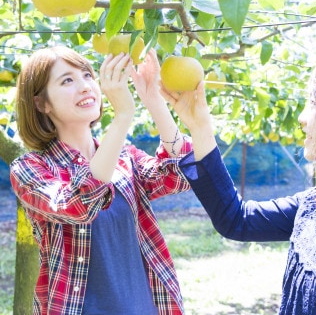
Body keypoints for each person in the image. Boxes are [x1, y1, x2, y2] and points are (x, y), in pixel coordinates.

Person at [161, 52, 316, 315]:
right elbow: (236, 219)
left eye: (313, 102)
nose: (302, 117)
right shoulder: (314, 205)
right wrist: (199, 125)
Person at [10, 46, 192, 315]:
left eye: (87, 75)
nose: (85, 86)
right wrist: (122, 118)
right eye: (67, 80)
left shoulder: (124, 158)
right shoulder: (31, 168)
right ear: (41, 103)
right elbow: (79, 205)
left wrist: (153, 99)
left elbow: (183, 174)